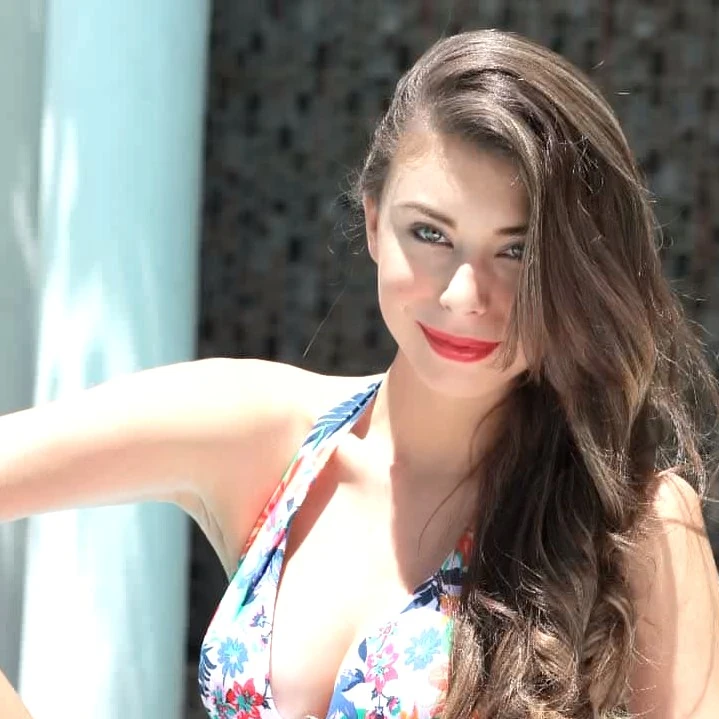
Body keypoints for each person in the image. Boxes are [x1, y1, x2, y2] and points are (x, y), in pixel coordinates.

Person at [1, 28, 719, 719]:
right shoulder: (265, 435)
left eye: (517, 251)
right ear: (374, 222)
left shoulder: (635, 524)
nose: (464, 295)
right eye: (430, 234)